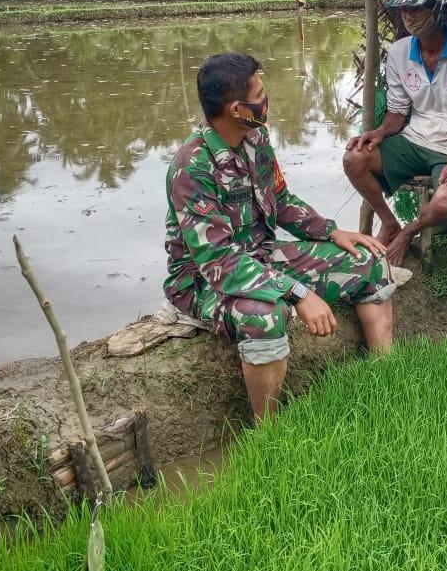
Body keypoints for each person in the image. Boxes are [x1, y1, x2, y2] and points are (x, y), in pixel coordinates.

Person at [163, 52, 395, 419]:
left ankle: (388, 380)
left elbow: (281, 201)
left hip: (262, 257)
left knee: (367, 261)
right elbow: (219, 262)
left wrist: (331, 231)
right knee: (266, 315)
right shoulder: (192, 168)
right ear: (237, 109)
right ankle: (268, 434)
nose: (266, 98)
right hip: (204, 282)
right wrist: (297, 292)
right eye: (259, 93)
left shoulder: (256, 138)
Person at [343, 0, 447, 266]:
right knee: (354, 158)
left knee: (443, 204)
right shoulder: (398, 53)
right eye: (404, 9)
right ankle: (389, 222)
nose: (408, 16)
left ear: (437, 8)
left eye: (417, 8)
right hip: (414, 140)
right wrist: (380, 132)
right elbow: (398, 113)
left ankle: (408, 231)